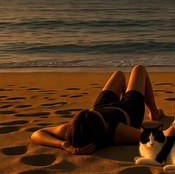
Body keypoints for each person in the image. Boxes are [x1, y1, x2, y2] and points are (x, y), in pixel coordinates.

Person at [31, 64, 164, 155]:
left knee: (118, 75)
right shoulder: (118, 131)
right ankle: (154, 112)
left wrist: (63, 145)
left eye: (90, 112)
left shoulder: (77, 129)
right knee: (139, 69)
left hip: (102, 104)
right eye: (95, 114)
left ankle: (125, 94)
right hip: (129, 108)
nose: (91, 111)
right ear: (104, 125)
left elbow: (37, 133)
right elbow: (156, 136)